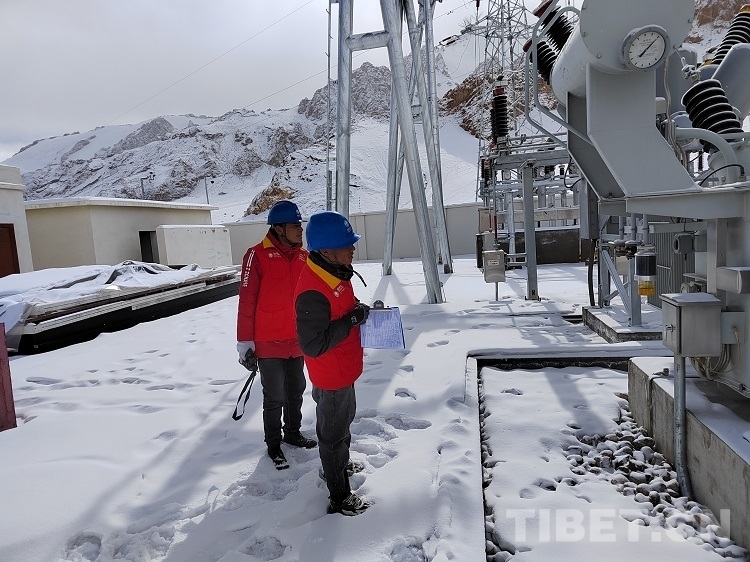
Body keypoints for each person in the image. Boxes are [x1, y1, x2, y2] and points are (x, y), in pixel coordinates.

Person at [294, 211, 371, 516]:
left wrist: (356, 310)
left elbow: (339, 309)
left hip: (344, 368)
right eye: (346, 244)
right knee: (333, 436)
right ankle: (340, 496)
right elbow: (312, 344)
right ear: (326, 250)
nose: (352, 248)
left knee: (342, 423)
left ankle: (338, 464)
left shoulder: (335, 271)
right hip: (332, 374)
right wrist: (352, 319)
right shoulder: (313, 289)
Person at [237, 200, 317, 471]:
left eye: (300, 225)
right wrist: (245, 343)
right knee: (275, 396)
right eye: (295, 225)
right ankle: (273, 445)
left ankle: (292, 433)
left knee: (296, 390)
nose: (300, 230)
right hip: (268, 341)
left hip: (296, 339)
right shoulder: (256, 255)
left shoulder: (304, 256)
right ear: (279, 229)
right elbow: (246, 301)